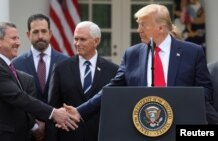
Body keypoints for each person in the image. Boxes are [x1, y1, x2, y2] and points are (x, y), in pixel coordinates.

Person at [61, 4, 218, 126]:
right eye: (138, 25)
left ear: (161, 28)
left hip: (180, 124)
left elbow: (206, 90)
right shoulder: (132, 54)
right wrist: (80, 111)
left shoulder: (192, 52)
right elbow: (112, 88)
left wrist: (183, 104)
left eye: (143, 25)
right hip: (143, 125)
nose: (138, 30)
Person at [0, 22, 77, 141]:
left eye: (18, 38)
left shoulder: (4, 67)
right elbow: (19, 98)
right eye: (13, 38)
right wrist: (53, 113)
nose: (18, 43)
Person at [48, 21, 118, 141]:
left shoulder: (113, 70)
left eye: (82, 39)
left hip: (100, 136)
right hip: (68, 136)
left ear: (96, 41)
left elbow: (115, 110)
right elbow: (52, 108)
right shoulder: (61, 68)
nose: (77, 43)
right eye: (76, 39)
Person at [12, 14, 68, 141]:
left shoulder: (66, 63)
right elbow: (15, 100)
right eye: (35, 32)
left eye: (44, 31)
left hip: (59, 132)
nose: (40, 36)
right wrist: (34, 126)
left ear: (50, 33)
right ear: (28, 35)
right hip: (27, 134)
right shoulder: (16, 64)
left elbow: (68, 98)